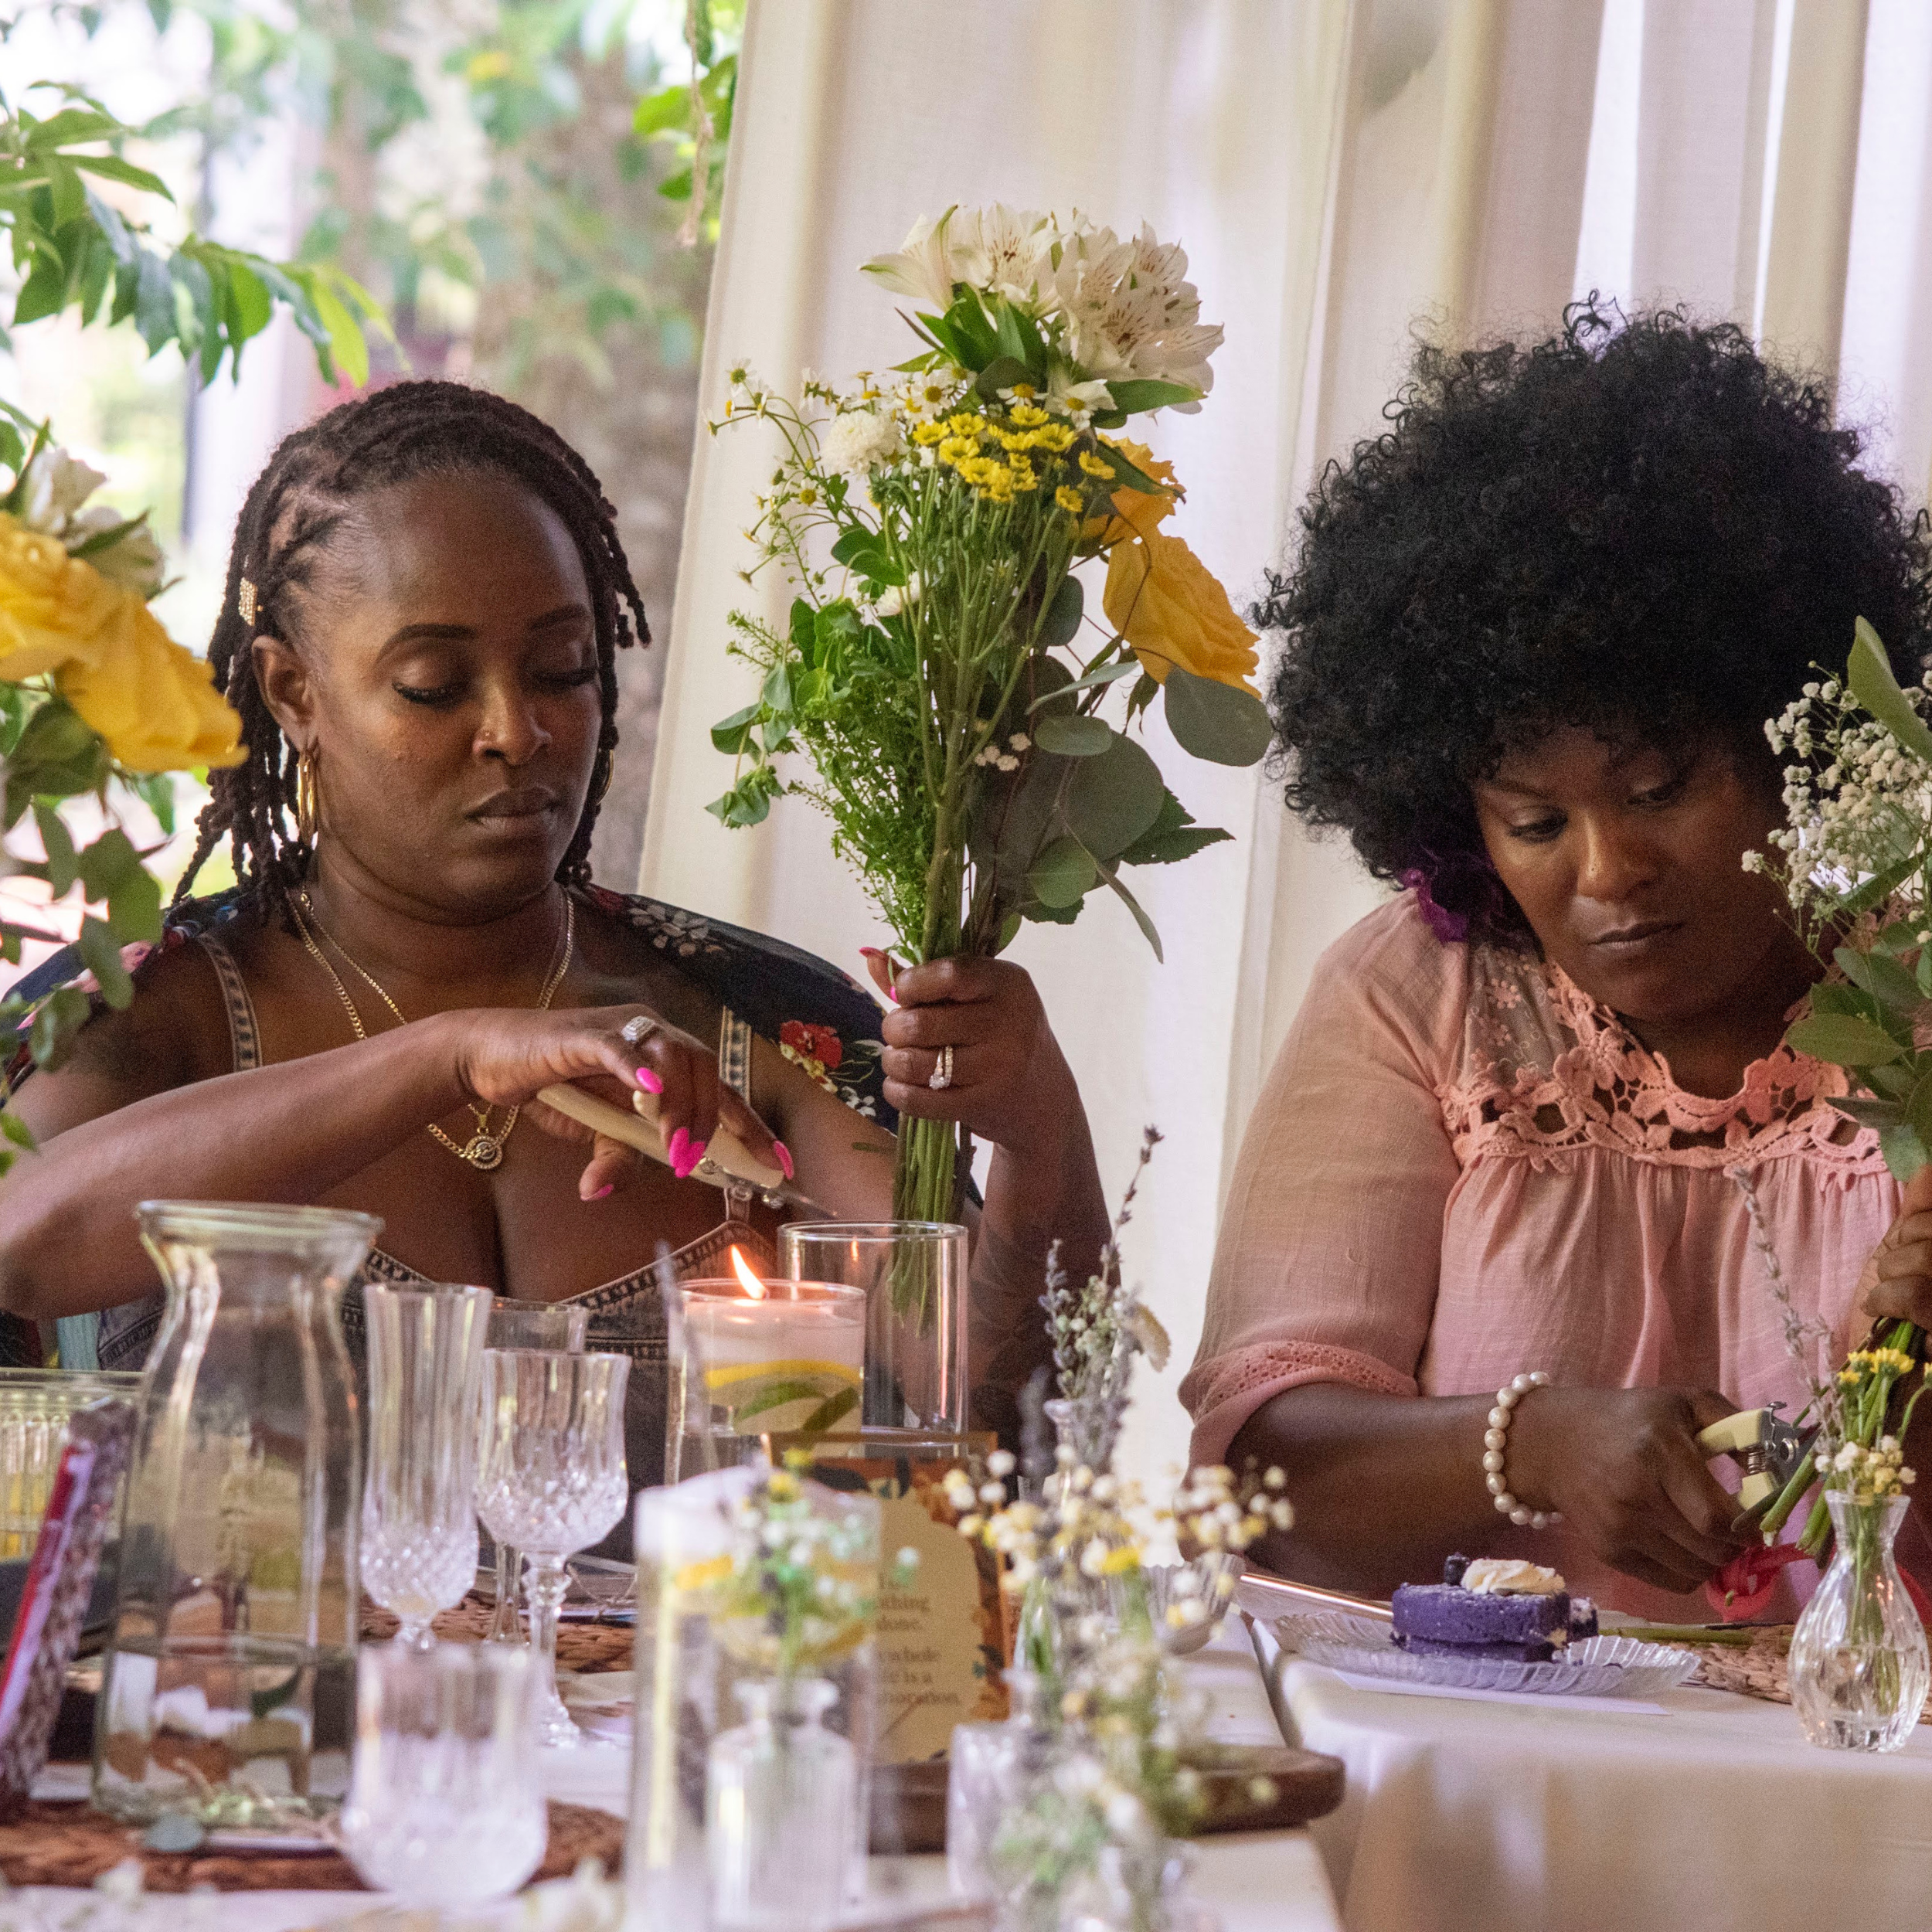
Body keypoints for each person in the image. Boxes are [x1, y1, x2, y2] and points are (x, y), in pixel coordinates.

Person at [0, 381, 1106, 1461]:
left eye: (563, 669)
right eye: (435, 684)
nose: (517, 730)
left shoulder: (754, 1031)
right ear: (294, 694)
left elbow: (1001, 1396)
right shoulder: (154, 1015)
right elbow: (20, 1246)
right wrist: (453, 1053)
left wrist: (1036, 1122)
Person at [1182, 305, 1932, 1620]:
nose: (1607, 872)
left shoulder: (1913, 981)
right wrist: (1529, 1446)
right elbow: (1260, 1473)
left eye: (1658, 787)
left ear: (1788, 741)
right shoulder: (1419, 1000)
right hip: (1504, 1784)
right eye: (1536, 821)